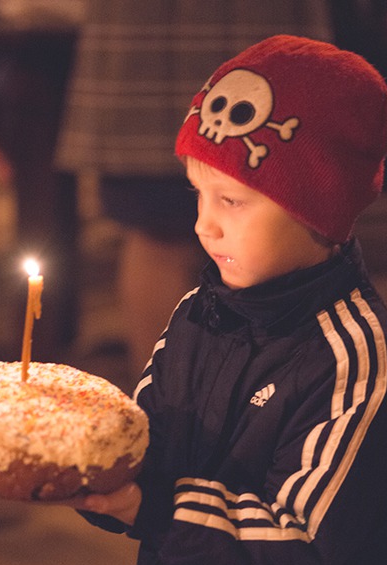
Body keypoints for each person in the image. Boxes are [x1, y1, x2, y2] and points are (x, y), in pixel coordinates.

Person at [59, 36, 387, 565]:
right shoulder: (202, 314)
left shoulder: (352, 358)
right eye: (198, 194)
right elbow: (150, 433)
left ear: (317, 207)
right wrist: (88, 455)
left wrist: (148, 504)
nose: (206, 224)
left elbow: (298, 535)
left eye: (232, 201)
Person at [56, 1, 334, 381]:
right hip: (177, 53)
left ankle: (271, 402)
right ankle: (166, 405)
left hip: (163, 53)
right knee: (161, 231)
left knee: (271, 234)